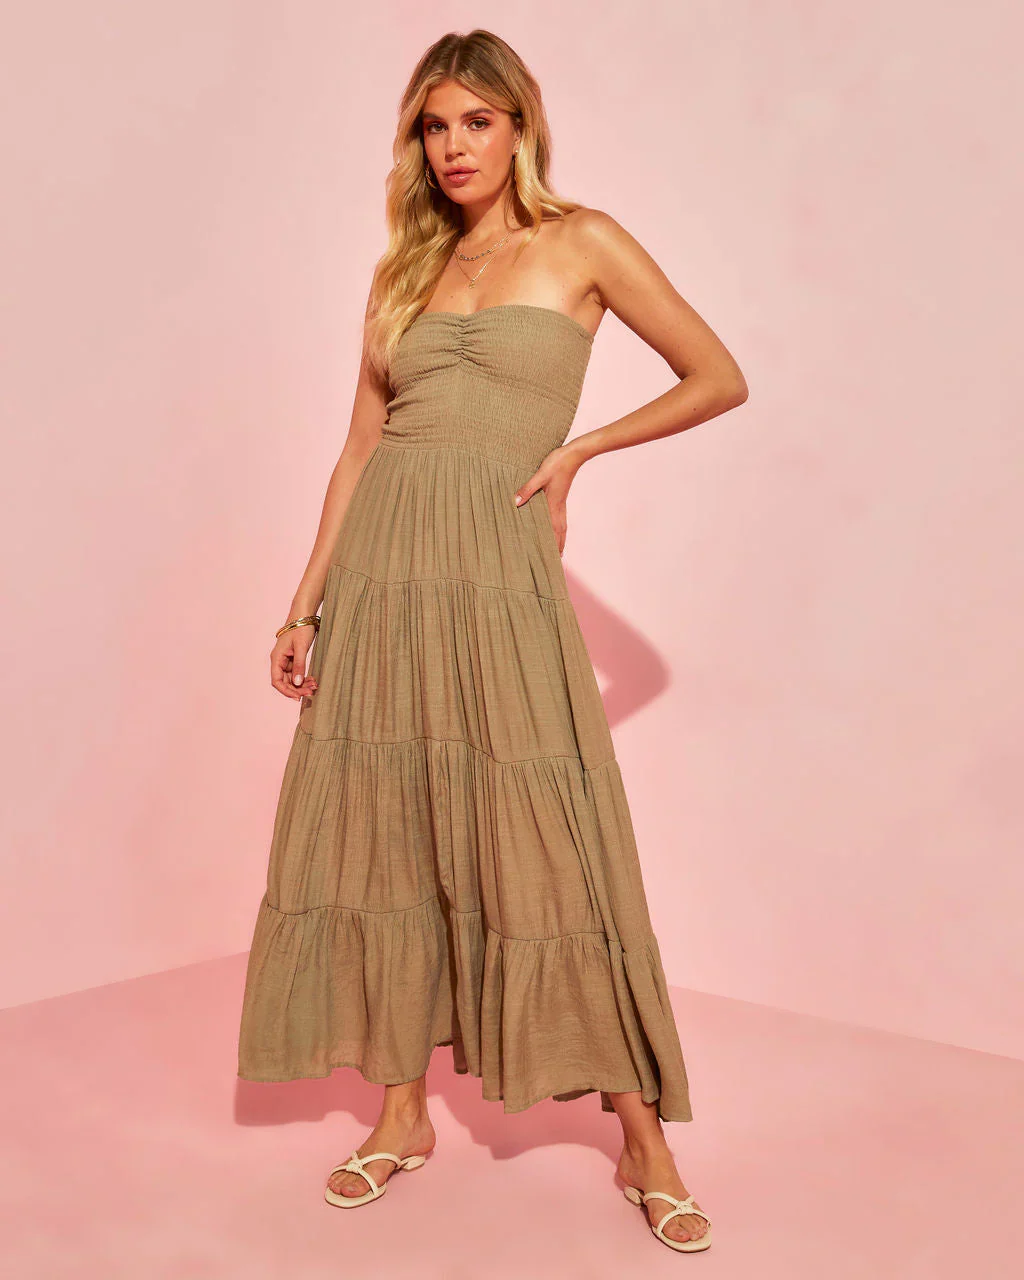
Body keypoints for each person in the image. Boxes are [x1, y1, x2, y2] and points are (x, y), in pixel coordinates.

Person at [237, 29, 747, 1255]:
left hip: (495, 570)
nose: (454, 146)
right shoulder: (404, 268)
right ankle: (400, 1112)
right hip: (384, 573)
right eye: (433, 125)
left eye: (475, 120)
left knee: (546, 843)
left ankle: (644, 1142)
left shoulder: (583, 242)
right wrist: (304, 603)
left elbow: (716, 374)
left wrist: (576, 452)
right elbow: (360, 448)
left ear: (520, 125)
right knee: (385, 832)